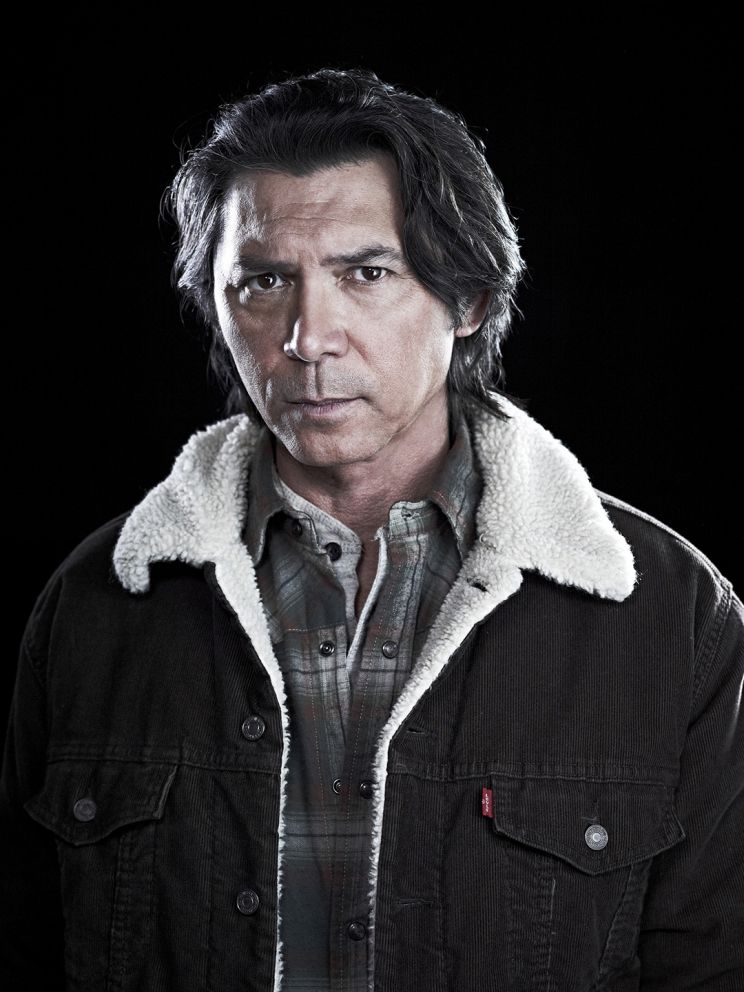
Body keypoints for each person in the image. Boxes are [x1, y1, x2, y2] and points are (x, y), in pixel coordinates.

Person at [1, 67, 742, 992]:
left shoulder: (669, 613)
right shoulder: (98, 603)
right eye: (264, 282)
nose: (309, 338)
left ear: (469, 300)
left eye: (367, 273)